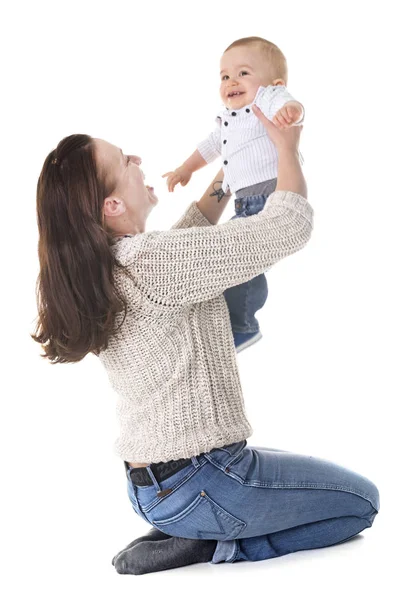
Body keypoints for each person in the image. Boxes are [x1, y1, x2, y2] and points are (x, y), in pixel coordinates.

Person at [32, 107, 380, 576]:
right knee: (361, 503)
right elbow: (287, 228)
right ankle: (216, 546)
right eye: (124, 160)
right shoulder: (152, 263)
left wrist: (232, 168)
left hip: (156, 488)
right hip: (206, 482)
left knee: (313, 479)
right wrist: (286, 149)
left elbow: (189, 244)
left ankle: (191, 529)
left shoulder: (111, 267)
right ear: (111, 205)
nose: (137, 159)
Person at [163, 36, 305, 352]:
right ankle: (238, 321)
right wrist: (185, 169)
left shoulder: (265, 100)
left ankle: (242, 324)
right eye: (225, 76)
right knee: (237, 264)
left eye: (243, 73)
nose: (231, 82)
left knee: (241, 265)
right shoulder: (229, 119)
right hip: (244, 203)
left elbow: (287, 103)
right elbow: (210, 147)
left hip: (268, 195)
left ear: (273, 83)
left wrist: (291, 110)